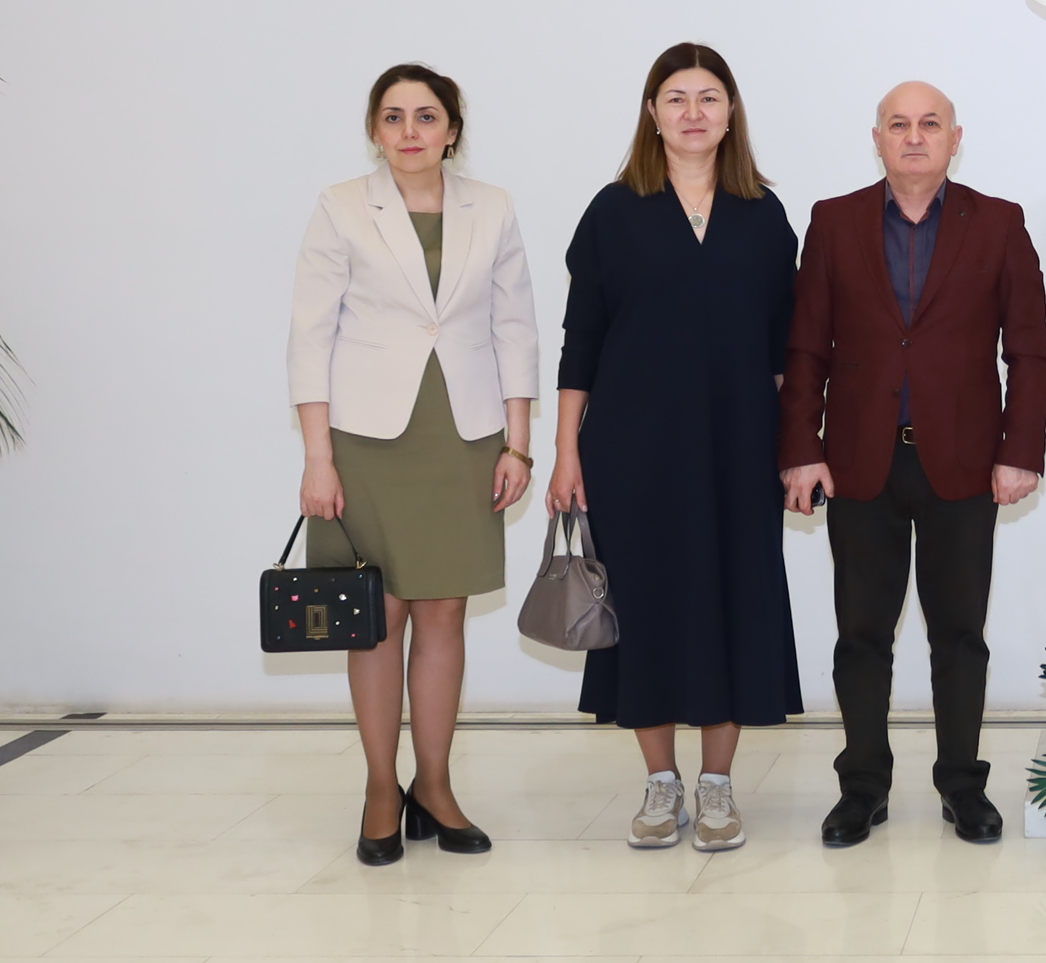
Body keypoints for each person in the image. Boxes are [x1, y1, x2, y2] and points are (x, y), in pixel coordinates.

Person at [780, 82, 1046, 846]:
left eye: (929, 124)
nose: (913, 136)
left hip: (964, 466)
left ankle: (963, 785)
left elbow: (1029, 352)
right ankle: (862, 787)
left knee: (959, 635)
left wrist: (1020, 452)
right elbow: (806, 349)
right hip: (858, 463)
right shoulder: (833, 222)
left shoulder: (998, 223)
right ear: (877, 138)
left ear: (954, 139)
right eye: (898, 124)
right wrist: (801, 449)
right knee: (861, 635)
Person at [547, 43, 801, 854]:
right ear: (652, 114)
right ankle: (661, 781)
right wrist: (566, 452)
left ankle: (717, 784)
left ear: (731, 114)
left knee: (734, 599)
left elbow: (785, 351)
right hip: (632, 450)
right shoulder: (613, 211)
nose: (694, 112)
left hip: (738, 447)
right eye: (677, 97)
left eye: (709, 97)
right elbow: (581, 342)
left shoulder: (764, 215)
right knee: (646, 603)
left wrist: (794, 445)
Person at [288, 63, 537, 865]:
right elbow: (309, 337)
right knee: (376, 619)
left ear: (452, 130)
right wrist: (318, 458)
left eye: (426, 116)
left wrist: (518, 441)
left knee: (442, 615)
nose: (409, 132)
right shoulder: (340, 206)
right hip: (364, 443)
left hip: (463, 437)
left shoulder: (491, 207)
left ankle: (434, 785)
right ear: (374, 129)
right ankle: (378, 788)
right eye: (392, 117)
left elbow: (515, 328)